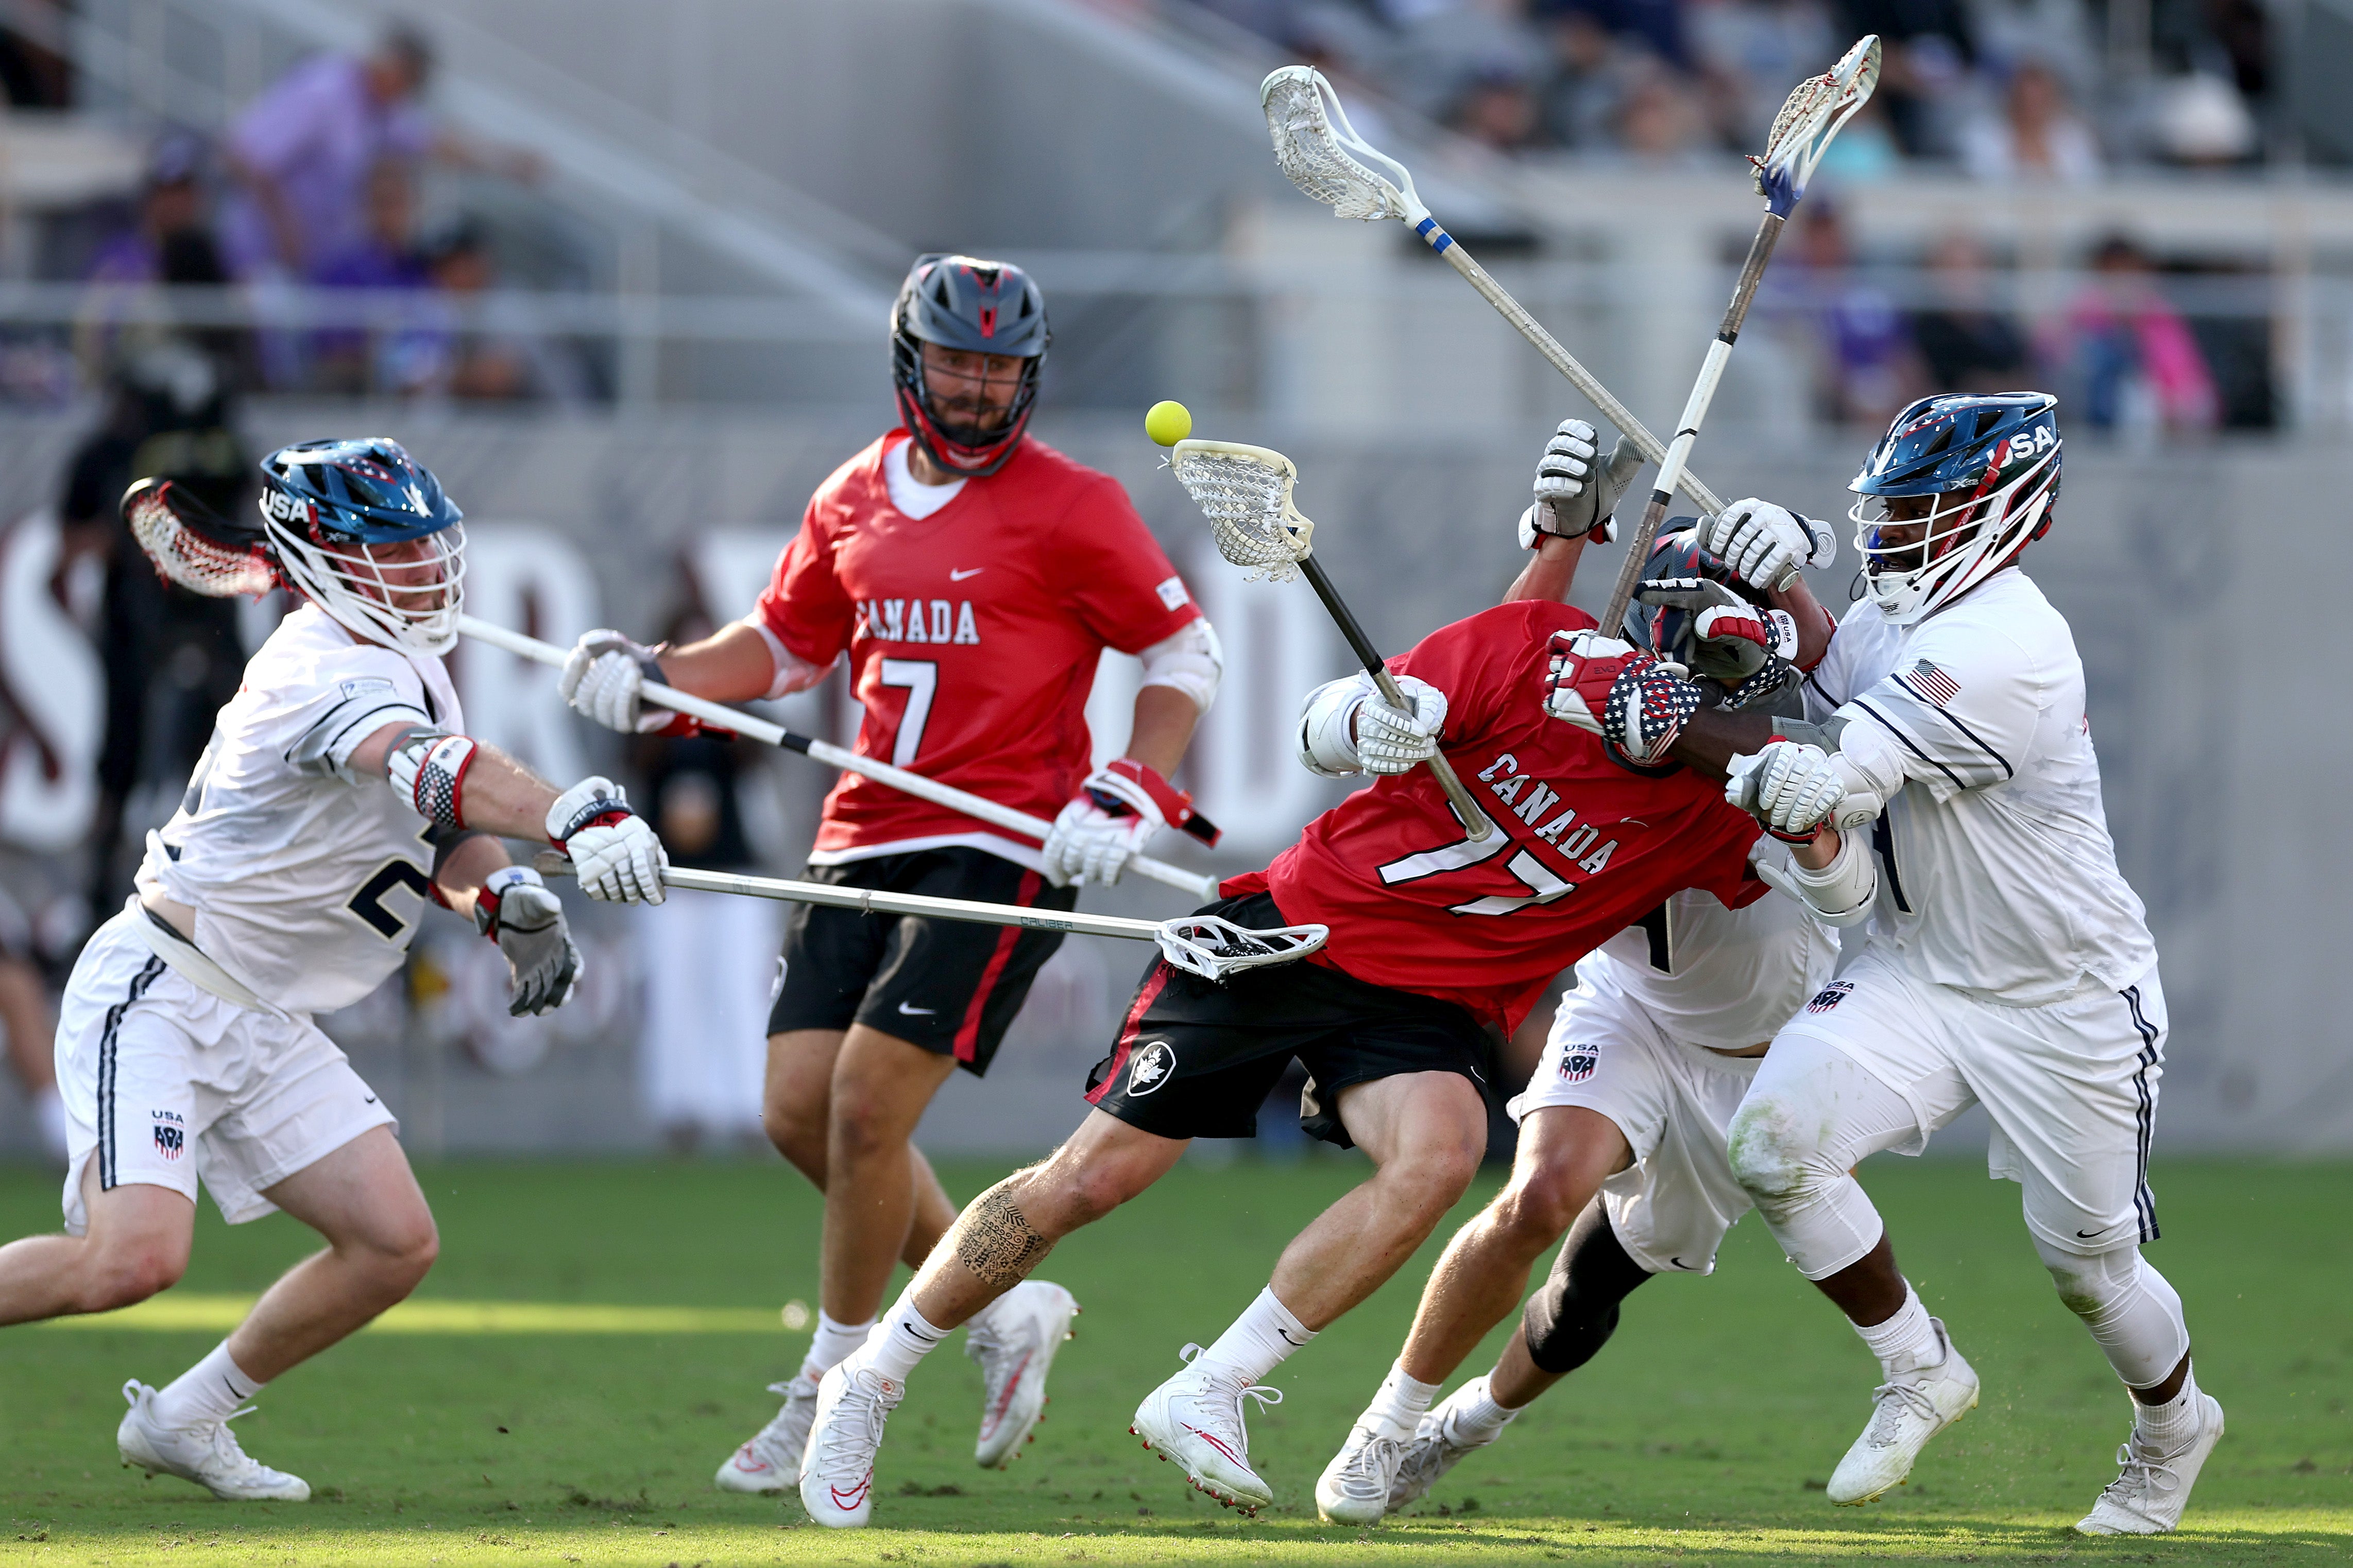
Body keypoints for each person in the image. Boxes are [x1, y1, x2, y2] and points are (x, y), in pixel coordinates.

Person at [790, 422, 1817, 1529]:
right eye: (1690, 663)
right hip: (1299, 930)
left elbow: (1845, 852)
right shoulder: (1534, 646)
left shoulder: (1723, 812)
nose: (1697, 700)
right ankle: (871, 1377)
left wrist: (1804, 602)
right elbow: (1320, 726)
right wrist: (1375, 714)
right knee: (1088, 1179)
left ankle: (1211, 1385)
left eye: (1728, 682)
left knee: (1444, 1152)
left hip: (1426, 1001)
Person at [557, 255, 1225, 1493]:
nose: (979, 390)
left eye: (1002, 369)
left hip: (1006, 836)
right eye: (959, 363)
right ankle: (999, 1311)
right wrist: (654, 673)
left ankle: (832, 1385)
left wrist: (1130, 782)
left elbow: (1181, 645)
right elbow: (784, 642)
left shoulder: (1071, 505)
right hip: (864, 831)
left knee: (867, 1107)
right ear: (911, 361)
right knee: (798, 1110)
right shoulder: (853, 492)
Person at [0, 438, 669, 1502]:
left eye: (425, 546)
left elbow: (436, 828)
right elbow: (434, 769)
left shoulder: (403, 659)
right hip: (165, 988)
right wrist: (571, 813)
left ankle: (185, 1417)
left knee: (393, 1241)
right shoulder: (320, 667)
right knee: (128, 1261)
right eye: (390, 553)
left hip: (262, 1012)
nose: (423, 569)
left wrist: (500, 898)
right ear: (318, 563)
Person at [1602, 392, 2218, 1536]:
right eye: (1885, 507)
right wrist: (1784, 581)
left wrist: (1660, 715)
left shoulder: (2009, 646)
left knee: (2089, 1270)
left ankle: (2175, 1422)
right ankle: (1916, 1366)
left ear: (2001, 513)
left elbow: (1833, 768)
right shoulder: (1921, 608)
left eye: (1919, 509)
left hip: (2065, 997)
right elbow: (1842, 670)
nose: (1890, 530)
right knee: (1775, 1148)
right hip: (1920, 966)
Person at [1312, 504, 1847, 1524]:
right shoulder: (1594, 704)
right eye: (1691, 640)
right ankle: (1385, 1422)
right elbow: (1502, 672)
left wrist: (1797, 586)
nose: (1713, 672)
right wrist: (1553, 548)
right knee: (1540, 1194)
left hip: (1752, 1056)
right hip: (1630, 1007)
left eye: (1734, 647)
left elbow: (1839, 806)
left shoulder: (1785, 740)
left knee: (1585, 1290)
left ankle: (1470, 1420)